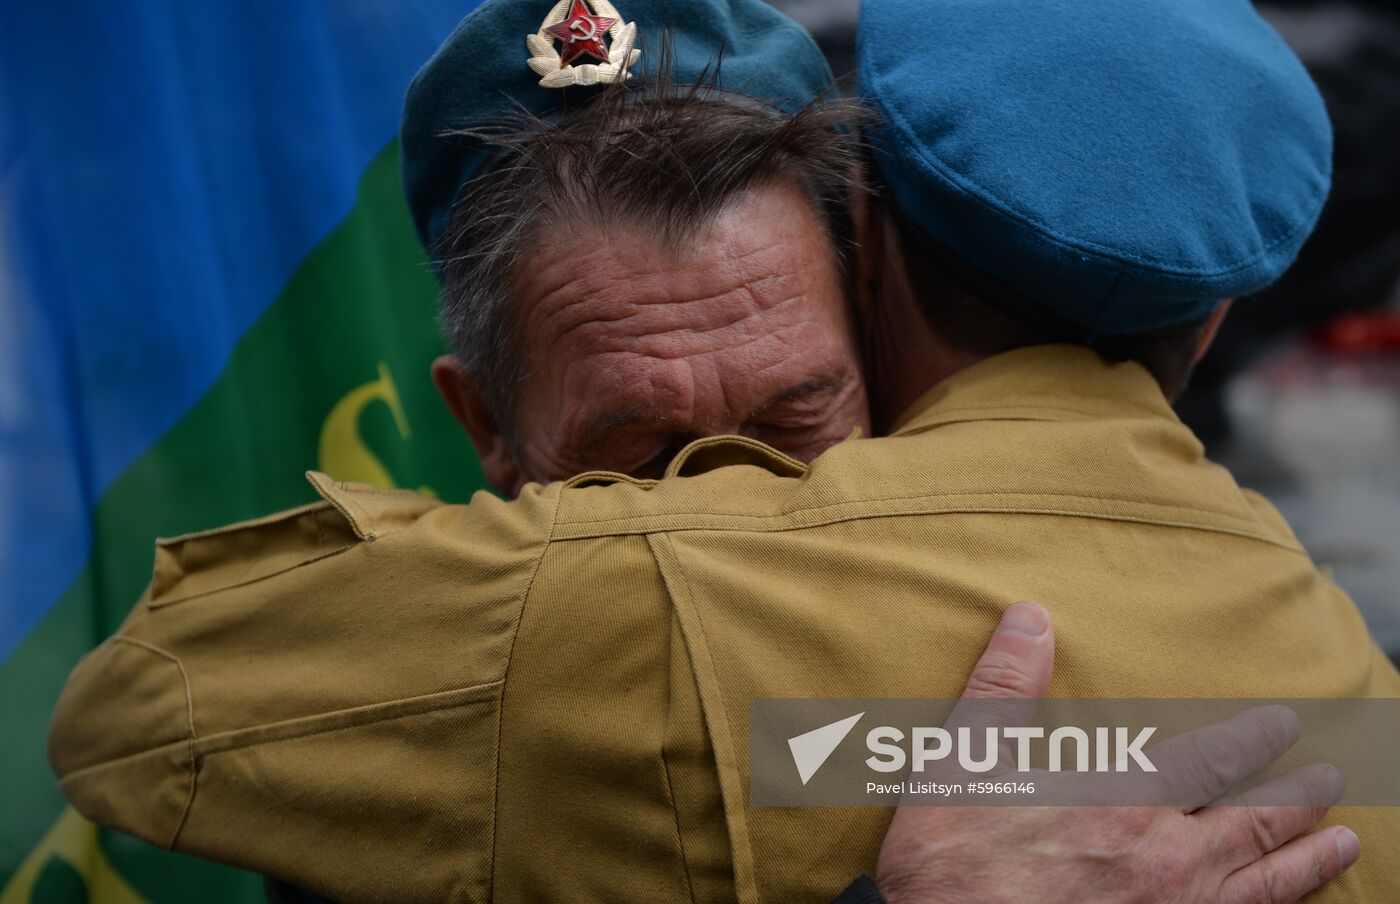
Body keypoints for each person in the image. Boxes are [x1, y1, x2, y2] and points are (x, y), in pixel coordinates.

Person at [46, 0, 1391, 900]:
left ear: (868, 287)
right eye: (641, 447)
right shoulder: (407, 720)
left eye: (794, 418)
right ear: (484, 430)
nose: (729, 504)